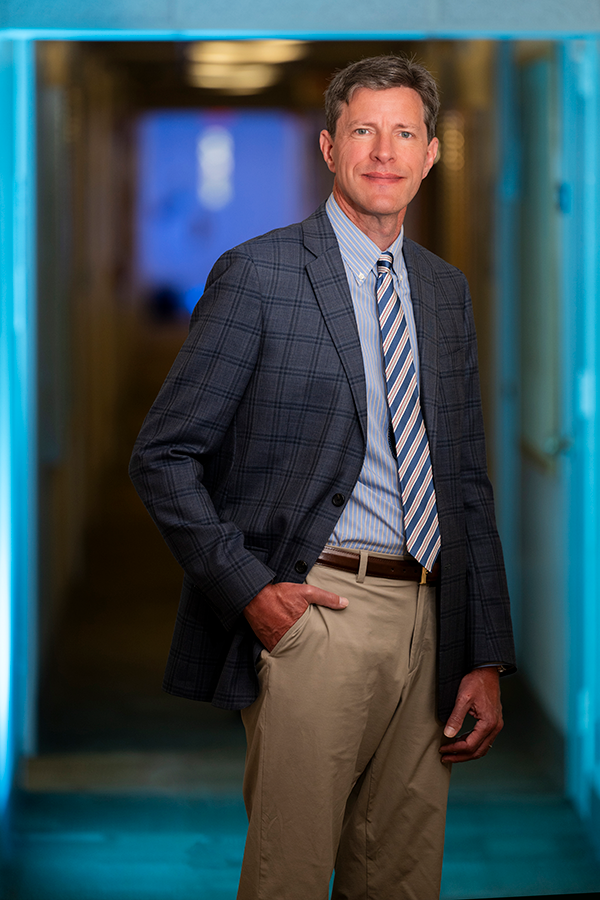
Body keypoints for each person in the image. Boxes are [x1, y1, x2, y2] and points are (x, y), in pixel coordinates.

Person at [130, 54, 516, 900]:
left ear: (431, 153)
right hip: (319, 616)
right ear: (330, 148)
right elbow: (163, 456)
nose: (385, 152)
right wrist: (254, 593)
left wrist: (484, 652)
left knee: (404, 878)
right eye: (364, 132)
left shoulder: (445, 293)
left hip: (432, 620)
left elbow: (465, 484)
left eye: (404, 132)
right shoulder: (260, 275)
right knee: (290, 877)